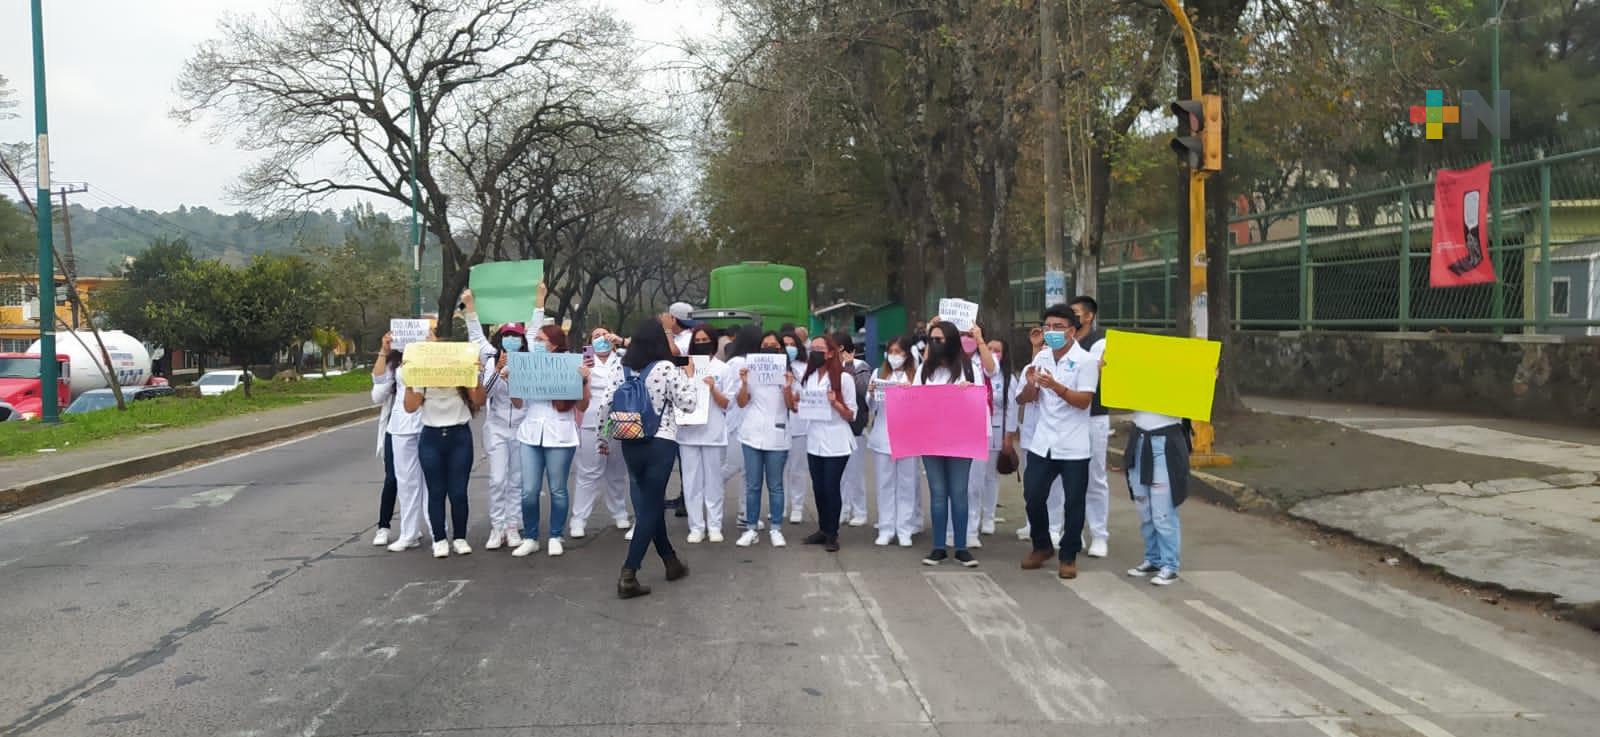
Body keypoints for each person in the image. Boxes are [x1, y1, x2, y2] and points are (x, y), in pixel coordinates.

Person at [595, 318, 699, 599]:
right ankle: (629, 573)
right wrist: (689, 376)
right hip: (661, 442)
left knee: (648, 504)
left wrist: (602, 438)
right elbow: (689, 404)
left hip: (630, 441)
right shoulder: (666, 368)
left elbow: (605, 405)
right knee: (651, 507)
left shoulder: (620, 368)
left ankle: (671, 561)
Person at [1017, 304, 1099, 579]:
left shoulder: (1086, 361)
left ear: (1072, 331)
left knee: (1073, 502)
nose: (1051, 332)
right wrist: (1031, 385)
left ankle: (1068, 554)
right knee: (1033, 496)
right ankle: (1042, 546)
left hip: (1074, 445)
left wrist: (1056, 386)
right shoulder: (1041, 357)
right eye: (1047, 326)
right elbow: (1024, 399)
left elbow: (1084, 401)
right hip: (1043, 441)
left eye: (1058, 327)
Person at [510, 324, 590, 558]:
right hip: (531, 432)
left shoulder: (571, 365)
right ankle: (531, 537)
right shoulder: (528, 365)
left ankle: (556, 535)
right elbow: (518, 403)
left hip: (560, 433)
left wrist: (584, 381)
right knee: (529, 490)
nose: (536, 343)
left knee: (558, 489)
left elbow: (583, 406)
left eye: (541, 339)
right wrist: (512, 381)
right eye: (535, 339)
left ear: (554, 344)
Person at [460, 290, 528, 552]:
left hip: (521, 428)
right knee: (498, 479)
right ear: (500, 338)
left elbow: (522, 401)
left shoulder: (529, 361)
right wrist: (470, 307)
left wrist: (538, 300)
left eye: (516, 336)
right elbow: (483, 395)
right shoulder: (489, 358)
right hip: (497, 429)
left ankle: (512, 526)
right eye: (507, 335)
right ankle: (497, 526)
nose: (511, 340)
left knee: (516, 480)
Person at [404, 344, 486, 559]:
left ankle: (460, 538)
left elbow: (479, 400)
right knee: (436, 491)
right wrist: (409, 380)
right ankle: (439, 539)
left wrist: (474, 375)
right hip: (431, 437)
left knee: (458, 492)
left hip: (459, 436)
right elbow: (410, 407)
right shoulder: (423, 377)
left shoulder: (461, 378)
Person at [915, 320, 981, 568]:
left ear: (952, 341)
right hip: (930, 440)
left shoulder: (969, 368)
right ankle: (938, 547)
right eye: (932, 339)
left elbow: (980, 401)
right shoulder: (924, 370)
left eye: (940, 339)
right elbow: (914, 400)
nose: (935, 344)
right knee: (938, 493)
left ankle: (962, 547)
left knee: (960, 492)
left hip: (960, 440)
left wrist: (969, 391)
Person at [735, 331, 797, 547]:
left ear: (780, 349)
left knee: (776, 485)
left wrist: (787, 387)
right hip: (751, 434)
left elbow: (792, 406)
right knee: (753, 485)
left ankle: (776, 528)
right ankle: (751, 528)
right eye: (765, 344)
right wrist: (744, 383)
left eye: (773, 345)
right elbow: (741, 402)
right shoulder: (751, 372)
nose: (769, 348)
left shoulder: (789, 375)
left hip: (777, 435)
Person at [798, 334, 858, 552]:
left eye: (819, 349)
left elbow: (851, 414)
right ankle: (823, 529)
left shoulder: (844, 379)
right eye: (812, 349)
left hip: (837, 440)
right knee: (819, 487)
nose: (814, 353)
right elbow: (801, 406)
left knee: (831, 487)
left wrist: (835, 404)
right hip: (814, 439)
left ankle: (832, 533)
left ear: (831, 353)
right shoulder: (809, 377)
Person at [571, 326, 632, 539]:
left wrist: (621, 340)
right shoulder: (582, 362)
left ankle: (619, 512)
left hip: (618, 419)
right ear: (590, 342)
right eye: (596, 336)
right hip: (591, 419)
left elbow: (645, 351)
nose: (601, 339)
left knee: (616, 471)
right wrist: (583, 375)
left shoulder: (624, 358)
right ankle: (579, 519)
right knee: (588, 472)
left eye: (604, 335)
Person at [678, 325, 735, 543]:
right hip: (688, 433)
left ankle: (714, 525)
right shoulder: (684, 365)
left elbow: (727, 404)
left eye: (705, 340)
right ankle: (696, 527)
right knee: (691, 482)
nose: (701, 344)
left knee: (713, 482)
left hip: (713, 432)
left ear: (713, 342)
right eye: (698, 340)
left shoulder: (723, 368)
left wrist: (713, 389)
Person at [1125, 409, 1189, 586]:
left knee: (1163, 513)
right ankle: (1153, 559)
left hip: (1166, 441)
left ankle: (1170, 565)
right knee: (1144, 510)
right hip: (1139, 440)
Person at [1013, 327, 1065, 544]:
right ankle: (1032, 523)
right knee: (1032, 484)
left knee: (1055, 485)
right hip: (1031, 435)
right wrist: (1031, 383)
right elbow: (1021, 399)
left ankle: (1054, 527)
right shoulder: (1030, 368)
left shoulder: (1066, 369)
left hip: (1056, 434)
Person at [867, 336, 921, 547]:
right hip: (883, 436)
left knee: (907, 484)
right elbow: (872, 407)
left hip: (908, 436)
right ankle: (886, 528)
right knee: (885, 484)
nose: (894, 356)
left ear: (907, 354)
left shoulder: (916, 375)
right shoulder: (879, 373)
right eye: (891, 351)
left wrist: (911, 393)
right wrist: (871, 393)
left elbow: (924, 405)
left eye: (898, 352)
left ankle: (905, 529)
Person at [1070, 295, 1111, 559]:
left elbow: (1089, 371)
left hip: (1094, 417)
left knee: (1095, 477)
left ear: (1088, 316)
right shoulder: (1062, 342)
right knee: (1069, 477)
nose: (1071, 317)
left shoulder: (1100, 342)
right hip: (1068, 417)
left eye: (1075, 312)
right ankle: (1073, 531)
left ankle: (1099, 534)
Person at [834, 333, 873, 527]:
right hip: (835, 426)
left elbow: (863, 391)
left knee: (855, 472)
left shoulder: (860, 366)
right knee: (839, 474)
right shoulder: (829, 367)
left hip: (855, 427)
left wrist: (849, 367)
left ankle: (860, 510)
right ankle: (843, 509)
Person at [368, 333, 403, 548]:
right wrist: (384, 350)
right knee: (392, 479)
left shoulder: (428, 361)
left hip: (424, 427)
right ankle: (383, 526)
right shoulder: (394, 366)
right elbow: (377, 395)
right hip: (395, 428)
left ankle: (414, 527)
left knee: (420, 482)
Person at [780, 330, 811, 524]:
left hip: (799, 423)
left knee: (798, 468)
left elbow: (811, 393)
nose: (789, 348)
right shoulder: (773, 367)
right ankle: (780, 505)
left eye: (792, 344)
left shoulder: (805, 367)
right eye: (785, 345)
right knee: (779, 469)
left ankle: (797, 507)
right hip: (778, 423)